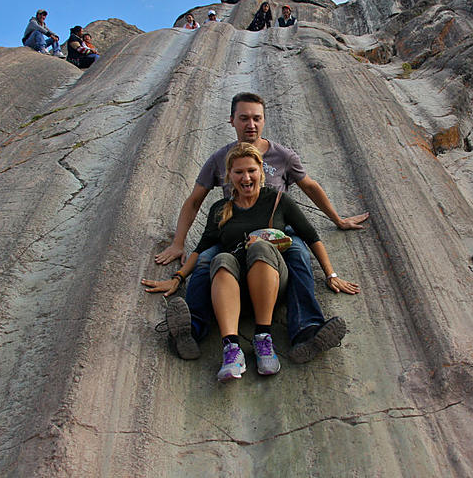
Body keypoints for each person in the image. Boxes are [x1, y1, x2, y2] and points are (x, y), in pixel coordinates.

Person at [144, 92, 368, 365]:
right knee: (205, 260)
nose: (251, 124)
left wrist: (338, 220)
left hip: (278, 234)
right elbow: (194, 201)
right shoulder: (220, 159)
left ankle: (307, 330)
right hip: (231, 232)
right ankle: (191, 329)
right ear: (232, 121)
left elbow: (309, 188)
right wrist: (179, 244)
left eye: (256, 118)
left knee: (298, 252)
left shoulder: (282, 156)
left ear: (263, 121)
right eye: (244, 118)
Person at [171, 143, 344, 381]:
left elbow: (311, 237)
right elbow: (201, 250)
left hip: (271, 285)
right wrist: (178, 277)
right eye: (239, 172)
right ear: (229, 176)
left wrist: (331, 274)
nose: (246, 177)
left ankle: (264, 338)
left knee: (261, 247)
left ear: (261, 172)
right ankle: (231, 350)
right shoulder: (220, 209)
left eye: (251, 170)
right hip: (234, 292)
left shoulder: (278, 201)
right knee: (220, 258)